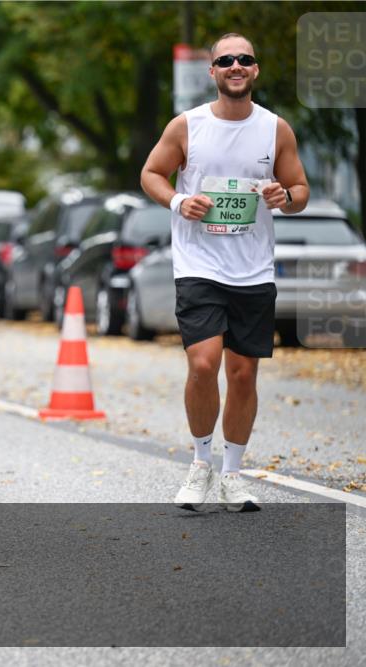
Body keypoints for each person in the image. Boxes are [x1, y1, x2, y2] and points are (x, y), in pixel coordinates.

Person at [140, 33, 308, 512]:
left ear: (255, 70)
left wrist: (286, 198)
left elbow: (299, 189)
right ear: (212, 72)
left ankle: (233, 475)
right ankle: (200, 463)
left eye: (245, 59)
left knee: (242, 373)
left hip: (252, 269)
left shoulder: (276, 129)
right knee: (203, 363)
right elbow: (152, 173)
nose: (236, 65)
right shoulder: (187, 126)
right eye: (226, 60)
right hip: (198, 265)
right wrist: (178, 200)